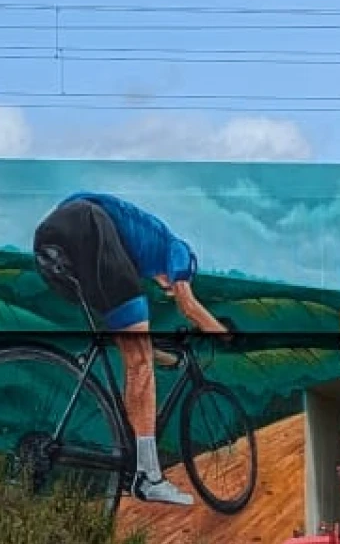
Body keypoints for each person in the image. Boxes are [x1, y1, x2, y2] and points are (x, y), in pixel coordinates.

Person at [31, 191, 225, 506]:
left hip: (51, 240)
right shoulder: (177, 250)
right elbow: (189, 306)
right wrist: (225, 334)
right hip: (88, 224)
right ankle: (148, 476)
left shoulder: (130, 246)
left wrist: (164, 358)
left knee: (136, 354)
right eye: (169, 283)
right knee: (139, 363)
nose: (166, 286)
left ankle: (129, 460)